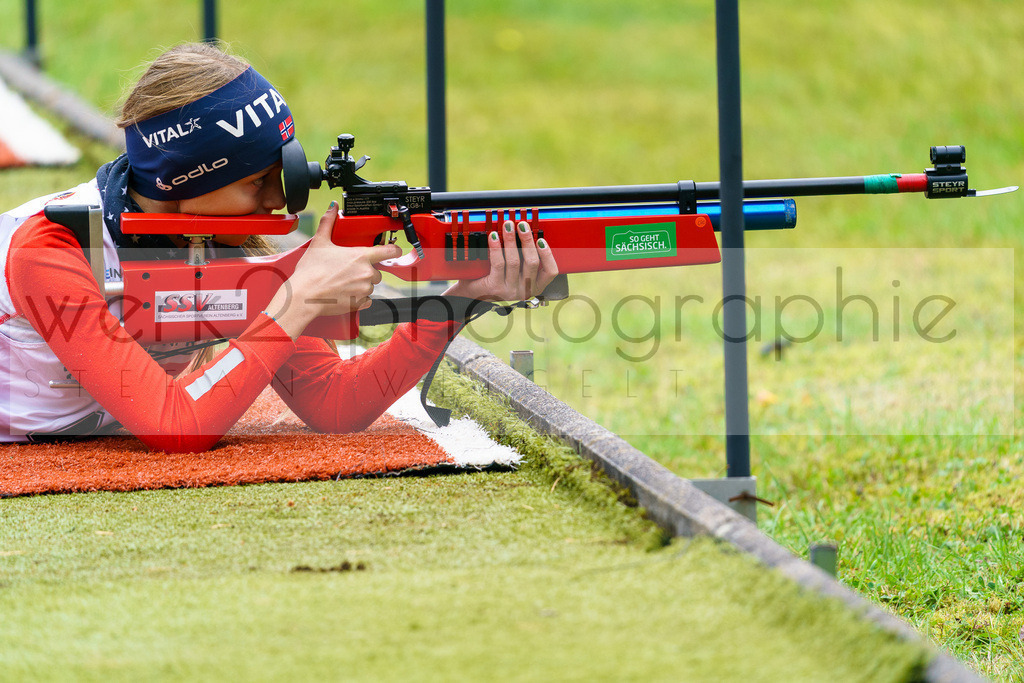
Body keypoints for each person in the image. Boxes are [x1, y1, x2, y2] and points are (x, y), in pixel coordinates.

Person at [0, 42, 557, 452]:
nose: (278, 202)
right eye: (255, 183)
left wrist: (460, 300)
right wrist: (295, 303)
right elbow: (179, 428)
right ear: (185, 181)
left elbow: (335, 404)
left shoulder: (220, 235)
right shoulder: (52, 248)